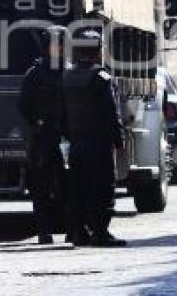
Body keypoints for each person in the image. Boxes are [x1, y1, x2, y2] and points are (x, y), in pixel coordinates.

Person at [62, 28, 127, 247]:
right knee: (102, 187)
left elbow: (61, 111)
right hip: (98, 143)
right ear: (97, 51)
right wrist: (119, 141)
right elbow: (111, 113)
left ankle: (79, 233)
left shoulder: (68, 76)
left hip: (77, 143)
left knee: (78, 188)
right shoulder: (101, 78)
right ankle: (100, 232)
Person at [18, 25, 68, 245]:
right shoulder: (36, 73)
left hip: (67, 135)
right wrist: (37, 124)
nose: (58, 49)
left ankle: (73, 229)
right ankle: (44, 231)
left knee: (68, 186)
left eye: (61, 44)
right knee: (41, 187)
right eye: (55, 44)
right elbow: (24, 104)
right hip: (44, 135)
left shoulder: (71, 71)